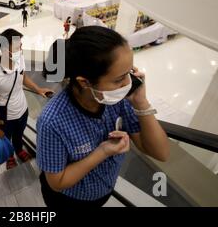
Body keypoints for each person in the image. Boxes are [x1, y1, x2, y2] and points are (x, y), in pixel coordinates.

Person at [37, 26, 170, 207]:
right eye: (119, 79)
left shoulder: (121, 100)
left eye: (130, 73)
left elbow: (160, 152)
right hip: (70, 200)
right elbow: (57, 182)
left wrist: (141, 102)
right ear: (84, 82)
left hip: (103, 191)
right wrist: (103, 151)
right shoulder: (53, 121)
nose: (128, 83)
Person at [0, 29, 54, 170]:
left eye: (20, 45)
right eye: (17, 47)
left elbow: (24, 77)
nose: (21, 49)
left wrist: (38, 89)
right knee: (7, 136)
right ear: (5, 49)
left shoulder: (19, 59)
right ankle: (10, 156)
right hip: (6, 117)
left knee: (19, 135)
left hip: (23, 110)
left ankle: (19, 149)